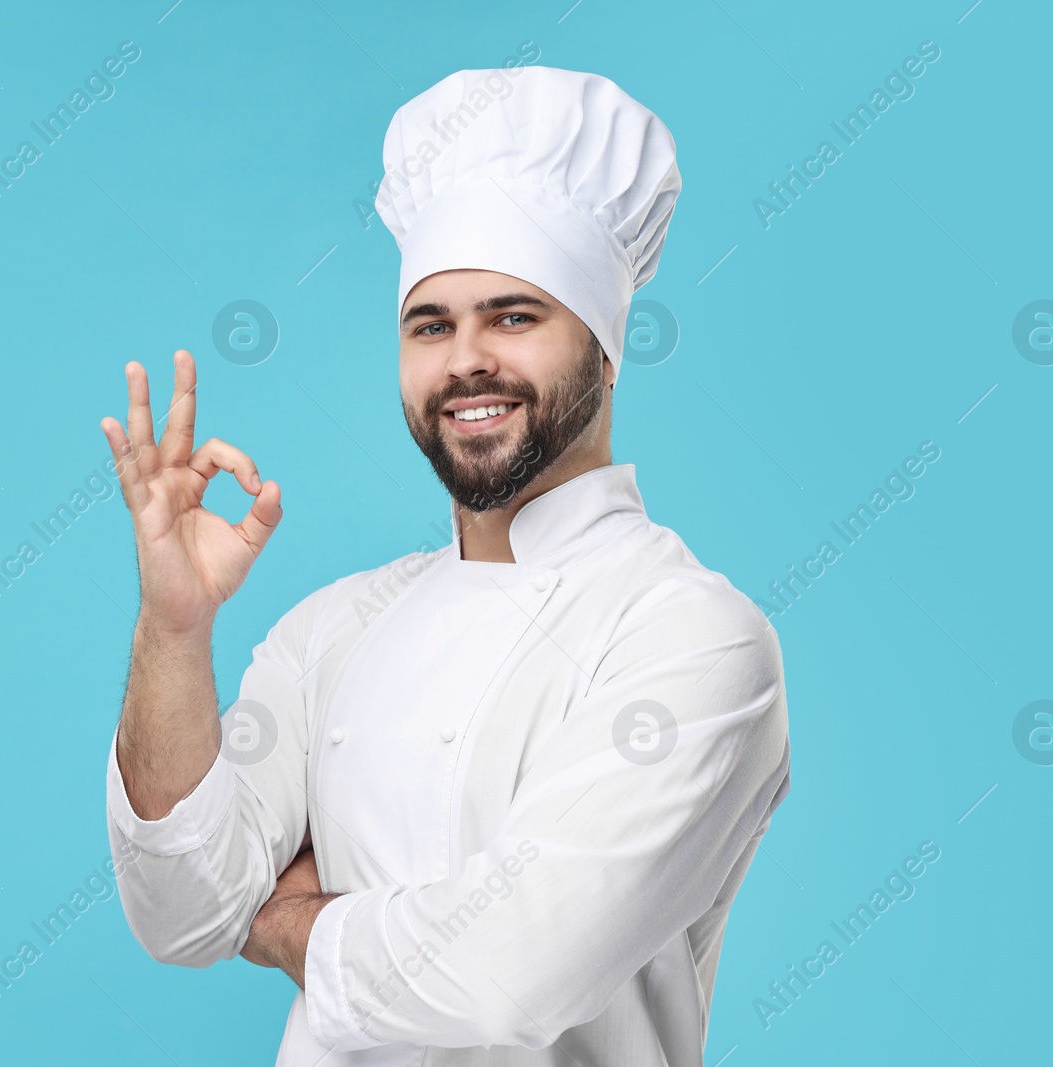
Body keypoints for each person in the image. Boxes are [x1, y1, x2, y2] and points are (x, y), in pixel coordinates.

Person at [101, 65, 791, 1065]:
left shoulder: (693, 636)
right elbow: (180, 907)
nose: (466, 358)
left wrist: (290, 922)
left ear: (604, 349)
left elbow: (502, 982)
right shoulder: (334, 626)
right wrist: (173, 628)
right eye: (432, 324)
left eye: (513, 315)